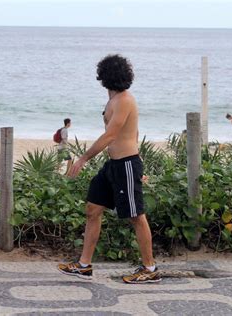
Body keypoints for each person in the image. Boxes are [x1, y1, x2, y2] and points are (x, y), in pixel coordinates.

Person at [58, 54, 161, 284]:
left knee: (136, 216)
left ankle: (150, 268)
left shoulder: (125, 100)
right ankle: (84, 266)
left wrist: (83, 158)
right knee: (93, 208)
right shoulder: (113, 100)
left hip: (126, 165)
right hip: (113, 165)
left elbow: (112, 134)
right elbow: (132, 132)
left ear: (104, 76)